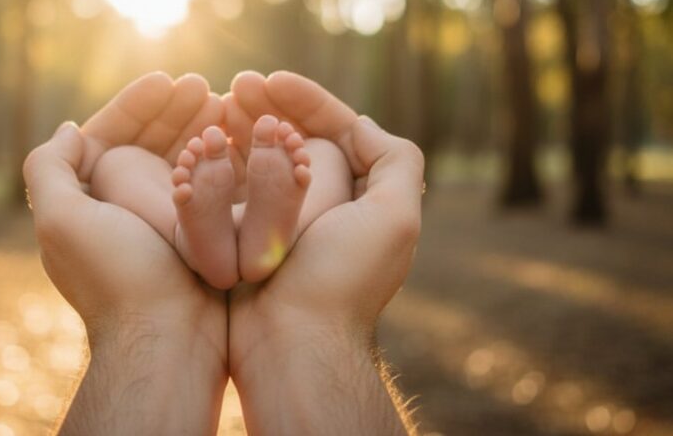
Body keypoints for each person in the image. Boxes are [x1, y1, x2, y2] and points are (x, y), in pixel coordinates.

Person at [22, 70, 424, 435]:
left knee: (116, 161)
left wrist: (148, 315)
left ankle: (188, 237)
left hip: (176, 241)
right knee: (326, 153)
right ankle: (280, 233)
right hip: (284, 241)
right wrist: (315, 318)